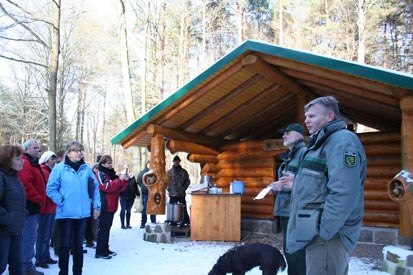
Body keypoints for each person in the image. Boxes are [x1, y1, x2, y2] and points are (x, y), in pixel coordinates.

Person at [286, 96, 367, 275]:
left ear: (330, 116)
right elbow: (319, 183)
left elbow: (344, 192)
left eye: (312, 116)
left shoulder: (342, 141)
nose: (306, 120)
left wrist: (324, 231)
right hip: (315, 231)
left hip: (328, 236)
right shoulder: (321, 143)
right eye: (306, 116)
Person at [46, 141, 101, 275]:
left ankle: (78, 272)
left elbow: (95, 189)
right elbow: (50, 189)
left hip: (82, 214)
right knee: (64, 246)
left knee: (78, 247)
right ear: (68, 152)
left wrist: (97, 206)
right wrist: (62, 201)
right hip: (65, 214)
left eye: (80, 150)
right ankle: (63, 272)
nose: (79, 153)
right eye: (76, 150)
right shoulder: (59, 168)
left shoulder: (86, 169)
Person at [268, 123, 306, 275]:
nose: (283, 136)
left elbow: (309, 181)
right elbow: (288, 181)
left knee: (297, 250)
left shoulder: (304, 153)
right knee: (289, 249)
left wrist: (289, 185)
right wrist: (276, 185)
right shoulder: (290, 155)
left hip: (296, 210)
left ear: (298, 136)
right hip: (285, 209)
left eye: (287, 133)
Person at [18, 139, 46, 275]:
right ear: (26, 149)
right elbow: (26, 184)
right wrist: (39, 198)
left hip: (34, 206)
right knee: (29, 237)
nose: (38, 150)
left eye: (39, 148)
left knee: (30, 237)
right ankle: (26, 267)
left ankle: (25, 265)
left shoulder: (34, 163)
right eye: (35, 148)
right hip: (29, 206)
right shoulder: (25, 163)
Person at [94, 155, 128, 259]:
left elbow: (118, 188)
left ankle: (105, 248)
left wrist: (124, 180)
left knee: (107, 228)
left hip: (112, 205)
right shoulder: (100, 173)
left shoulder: (111, 174)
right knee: (103, 229)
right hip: (105, 204)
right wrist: (120, 180)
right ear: (102, 163)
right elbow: (107, 187)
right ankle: (100, 251)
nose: (110, 164)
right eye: (108, 162)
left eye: (111, 162)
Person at [0, 145, 26, 275]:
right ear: (7, 160)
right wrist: (9, 219)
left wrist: (22, 214)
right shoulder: (1, 176)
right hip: (3, 231)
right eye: (18, 158)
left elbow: (17, 202)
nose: (22, 161)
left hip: (16, 230)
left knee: (17, 267)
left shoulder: (15, 178)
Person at [35, 151, 58, 269]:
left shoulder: (51, 171)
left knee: (48, 233)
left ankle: (46, 255)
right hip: (45, 207)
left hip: (51, 206)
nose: (54, 161)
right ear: (46, 160)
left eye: (54, 159)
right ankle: (40, 257)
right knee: (42, 234)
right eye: (52, 159)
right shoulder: (44, 171)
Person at [166, 155, 190, 225]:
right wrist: (169, 189)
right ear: (173, 162)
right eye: (175, 161)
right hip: (172, 194)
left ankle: (186, 221)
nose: (176, 162)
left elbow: (187, 181)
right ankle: (173, 222)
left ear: (179, 162)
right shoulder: (169, 172)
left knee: (183, 208)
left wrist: (184, 188)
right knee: (172, 209)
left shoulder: (184, 172)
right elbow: (166, 182)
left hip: (181, 193)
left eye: (177, 161)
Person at [137, 161, 156, 228]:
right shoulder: (142, 172)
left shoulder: (154, 172)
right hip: (145, 192)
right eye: (149, 164)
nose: (150, 165)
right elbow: (138, 181)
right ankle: (143, 223)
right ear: (147, 164)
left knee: (153, 208)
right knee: (145, 208)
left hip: (153, 193)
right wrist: (143, 187)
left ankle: (153, 221)